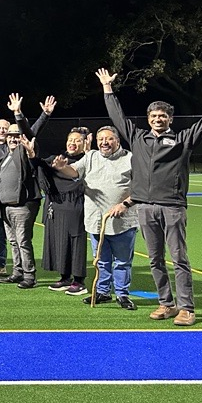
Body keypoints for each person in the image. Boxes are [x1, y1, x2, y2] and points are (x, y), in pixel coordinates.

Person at [98, 67, 202, 326]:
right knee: (155, 259)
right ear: (148, 119)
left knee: (179, 258)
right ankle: (166, 303)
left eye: (163, 116)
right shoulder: (137, 138)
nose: (158, 119)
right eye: (154, 115)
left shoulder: (183, 140)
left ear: (170, 119)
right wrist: (107, 89)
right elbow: (117, 116)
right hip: (145, 208)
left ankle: (187, 308)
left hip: (172, 208)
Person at [52, 126, 139, 310]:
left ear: (117, 140)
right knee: (101, 260)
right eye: (100, 139)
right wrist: (62, 168)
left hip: (122, 221)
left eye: (108, 139)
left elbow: (140, 188)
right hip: (96, 220)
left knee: (122, 261)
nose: (104, 142)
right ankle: (102, 292)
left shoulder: (130, 158)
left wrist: (125, 204)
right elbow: (74, 171)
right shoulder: (91, 156)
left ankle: (122, 294)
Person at [0, 96, 55, 275]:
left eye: (17, 137)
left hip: (22, 205)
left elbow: (30, 133)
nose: (13, 140)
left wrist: (20, 114)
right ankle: (17, 272)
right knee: (13, 241)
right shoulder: (3, 157)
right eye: (10, 137)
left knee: (23, 241)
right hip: (5, 206)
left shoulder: (23, 152)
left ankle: (29, 275)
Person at [37, 128, 89, 296]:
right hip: (56, 208)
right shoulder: (57, 159)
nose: (73, 143)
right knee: (60, 241)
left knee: (76, 242)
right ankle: (65, 277)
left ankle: (79, 280)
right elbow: (38, 165)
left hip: (76, 206)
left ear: (85, 143)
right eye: (70, 140)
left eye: (77, 140)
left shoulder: (87, 160)